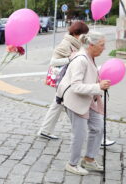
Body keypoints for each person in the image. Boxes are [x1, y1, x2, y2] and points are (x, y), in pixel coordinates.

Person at [56, 31, 110, 175]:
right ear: (91, 45)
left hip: (88, 98)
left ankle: (89, 160)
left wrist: (99, 83)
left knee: (98, 127)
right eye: (102, 45)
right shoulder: (81, 59)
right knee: (79, 134)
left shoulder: (90, 56)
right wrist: (98, 87)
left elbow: (88, 78)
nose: (104, 48)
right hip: (75, 101)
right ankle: (72, 164)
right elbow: (76, 86)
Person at [38, 21, 89, 140]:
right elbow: (53, 62)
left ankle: (45, 130)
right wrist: (70, 59)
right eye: (84, 34)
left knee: (57, 104)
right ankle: (94, 135)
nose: (85, 37)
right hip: (65, 81)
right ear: (76, 33)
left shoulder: (77, 44)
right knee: (78, 105)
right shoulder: (66, 44)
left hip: (69, 80)